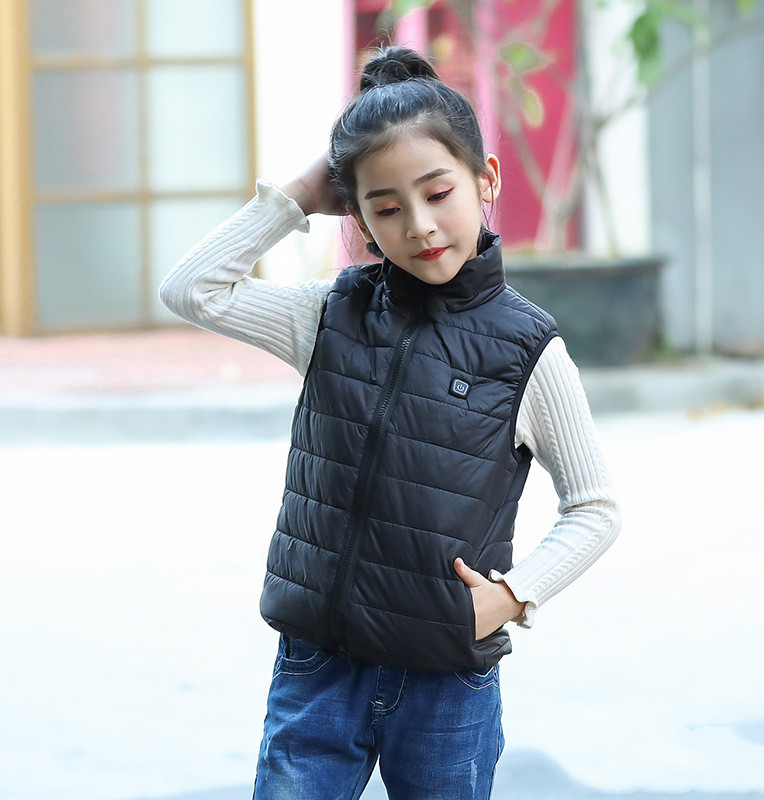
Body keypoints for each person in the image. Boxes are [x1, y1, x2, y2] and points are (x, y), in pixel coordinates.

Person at [159, 45, 621, 800]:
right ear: (360, 219)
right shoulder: (328, 315)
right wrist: (298, 195)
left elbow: (595, 508)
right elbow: (192, 290)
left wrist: (512, 596)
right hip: (318, 665)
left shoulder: (528, 348)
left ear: (487, 179)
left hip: (445, 682)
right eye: (386, 207)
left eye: (438, 193)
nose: (420, 225)